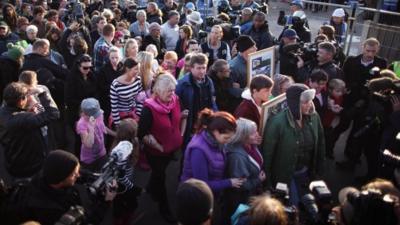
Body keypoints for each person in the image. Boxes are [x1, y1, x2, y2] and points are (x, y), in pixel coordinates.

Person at [3, 150, 116, 225]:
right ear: (61, 179)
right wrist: (106, 202)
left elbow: (74, 172)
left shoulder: (46, 175)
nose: (78, 175)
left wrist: (96, 177)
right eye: (73, 174)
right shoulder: (50, 211)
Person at [262, 84, 325, 205]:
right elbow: (267, 154)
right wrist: (268, 183)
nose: (310, 104)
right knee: (292, 205)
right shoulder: (277, 123)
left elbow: (321, 142)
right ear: (294, 102)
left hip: (306, 171)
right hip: (285, 175)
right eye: (305, 102)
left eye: (310, 100)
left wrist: (319, 169)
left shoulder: (314, 116)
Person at [181, 108, 244, 223]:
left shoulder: (215, 141)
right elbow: (203, 185)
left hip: (213, 194)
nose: (228, 141)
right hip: (199, 199)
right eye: (226, 138)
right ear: (215, 131)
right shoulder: (198, 150)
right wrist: (229, 182)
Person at [138, 74, 186, 223]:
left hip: (171, 149)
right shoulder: (149, 109)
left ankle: (150, 188)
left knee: (161, 173)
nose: (172, 94)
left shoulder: (176, 100)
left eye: (173, 90)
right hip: (156, 153)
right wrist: (157, 146)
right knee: (161, 178)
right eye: (168, 91)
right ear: (157, 90)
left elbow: (181, 117)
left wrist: (181, 135)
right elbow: (141, 133)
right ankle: (164, 209)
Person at [337, 38, 388, 169]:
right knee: (342, 126)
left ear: (377, 50)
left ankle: (351, 156)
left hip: (367, 104)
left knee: (357, 131)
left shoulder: (382, 63)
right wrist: (345, 88)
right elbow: (343, 77)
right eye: (368, 50)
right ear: (362, 48)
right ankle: (328, 149)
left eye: (373, 51)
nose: (370, 54)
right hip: (350, 101)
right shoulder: (351, 61)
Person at [0, 82, 59, 179]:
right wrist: (42, 93)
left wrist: (26, 113)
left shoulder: (3, 112)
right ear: (21, 101)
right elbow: (53, 114)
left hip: (12, 160)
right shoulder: (25, 119)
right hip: (31, 166)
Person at [224, 118, 265, 224]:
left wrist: (256, 144)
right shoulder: (236, 157)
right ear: (243, 136)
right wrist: (258, 180)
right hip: (240, 202)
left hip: (250, 196)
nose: (257, 134)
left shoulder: (250, 145)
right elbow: (241, 185)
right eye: (253, 133)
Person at [176, 53, 218, 145]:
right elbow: (176, 102)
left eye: (204, 68)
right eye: (199, 68)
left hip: (205, 123)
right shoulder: (183, 84)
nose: (202, 71)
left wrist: (215, 115)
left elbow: (212, 101)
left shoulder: (209, 81)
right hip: (190, 124)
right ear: (191, 68)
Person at [110, 119, 142, 225]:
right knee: (130, 204)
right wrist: (132, 187)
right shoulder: (121, 153)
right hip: (121, 184)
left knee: (119, 203)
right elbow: (119, 175)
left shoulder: (130, 142)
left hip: (125, 180)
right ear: (132, 134)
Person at [76, 98, 115, 172]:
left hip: (102, 153)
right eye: (94, 115)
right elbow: (88, 144)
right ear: (84, 114)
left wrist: (115, 134)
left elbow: (103, 127)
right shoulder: (81, 124)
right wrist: (91, 127)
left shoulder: (99, 115)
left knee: (106, 174)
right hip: (89, 159)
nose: (97, 117)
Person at [110, 58, 143, 126]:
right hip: (120, 116)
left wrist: (138, 115)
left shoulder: (138, 79)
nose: (138, 71)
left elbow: (140, 99)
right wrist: (118, 125)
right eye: (136, 69)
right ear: (128, 69)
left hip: (134, 113)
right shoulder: (116, 84)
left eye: (139, 69)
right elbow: (114, 107)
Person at [97, 46, 124, 122]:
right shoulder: (103, 70)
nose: (115, 60)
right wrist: (116, 86)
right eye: (112, 58)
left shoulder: (123, 67)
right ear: (109, 57)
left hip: (121, 101)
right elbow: (101, 87)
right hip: (108, 101)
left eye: (117, 57)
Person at [323, 79, 346, 158]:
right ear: (330, 90)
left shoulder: (339, 97)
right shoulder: (328, 98)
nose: (340, 93)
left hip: (329, 122)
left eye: (341, 91)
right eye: (338, 91)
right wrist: (331, 107)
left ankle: (327, 152)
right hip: (324, 122)